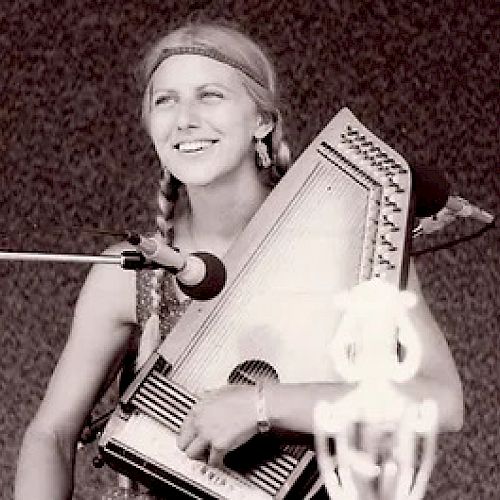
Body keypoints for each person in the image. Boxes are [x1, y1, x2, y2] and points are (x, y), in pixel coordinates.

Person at [15, 22, 463, 500]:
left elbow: (441, 400)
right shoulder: (129, 275)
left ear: (261, 121)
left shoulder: (354, 241)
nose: (184, 118)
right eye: (165, 100)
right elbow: (51, 437)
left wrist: (262, 405)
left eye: (210, 95)